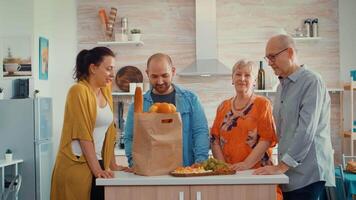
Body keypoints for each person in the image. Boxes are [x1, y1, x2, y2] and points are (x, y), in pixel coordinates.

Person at [254, 34, 335, 200]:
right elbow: (282, 130)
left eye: (273, 56)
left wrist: (281, 167)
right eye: (267, 58)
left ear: (289, 52)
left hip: (309, 176)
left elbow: (306, 131)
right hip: (289, 175)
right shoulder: (281, 87)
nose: (269, 62)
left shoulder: (312, 81)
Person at [50, 47, 128, 200]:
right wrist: (97, 170)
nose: (113, 74)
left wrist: (113, 164)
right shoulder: (78, 91)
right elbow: (83, 135)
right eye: (108, 69)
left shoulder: (105, 91)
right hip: (77, 166)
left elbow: (109, 132)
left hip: (96, 162)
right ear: (93, 68)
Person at [210, 59, 282, 199]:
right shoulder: (223, 106)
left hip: (257, 174)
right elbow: (215, 140)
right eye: (238, 74)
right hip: (230, 176)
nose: (242, 78)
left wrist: (245, 164)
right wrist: (224, 167)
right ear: (232, 78)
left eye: (247, 75)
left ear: (254, 80)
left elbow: (266, 139)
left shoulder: (263, 104)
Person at [124, 53, 210, 167]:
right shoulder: (138, 105)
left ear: (173, 71)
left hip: (185, 168)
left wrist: (200, 162)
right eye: (154, 76)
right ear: (147, 74)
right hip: (150, 170)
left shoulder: (191, 99)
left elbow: (201, 133)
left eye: (165, 75)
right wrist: (134, 163)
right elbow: (130, 137)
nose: (160, 81)